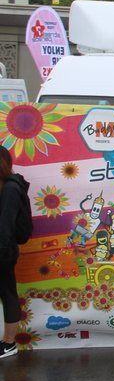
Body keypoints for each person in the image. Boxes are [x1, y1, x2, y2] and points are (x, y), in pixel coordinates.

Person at [0, 146, 31, 359]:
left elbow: (6, 226)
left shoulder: (11, 188)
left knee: (8, 293)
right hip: (3, 248)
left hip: (2, 251)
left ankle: (9, 343)